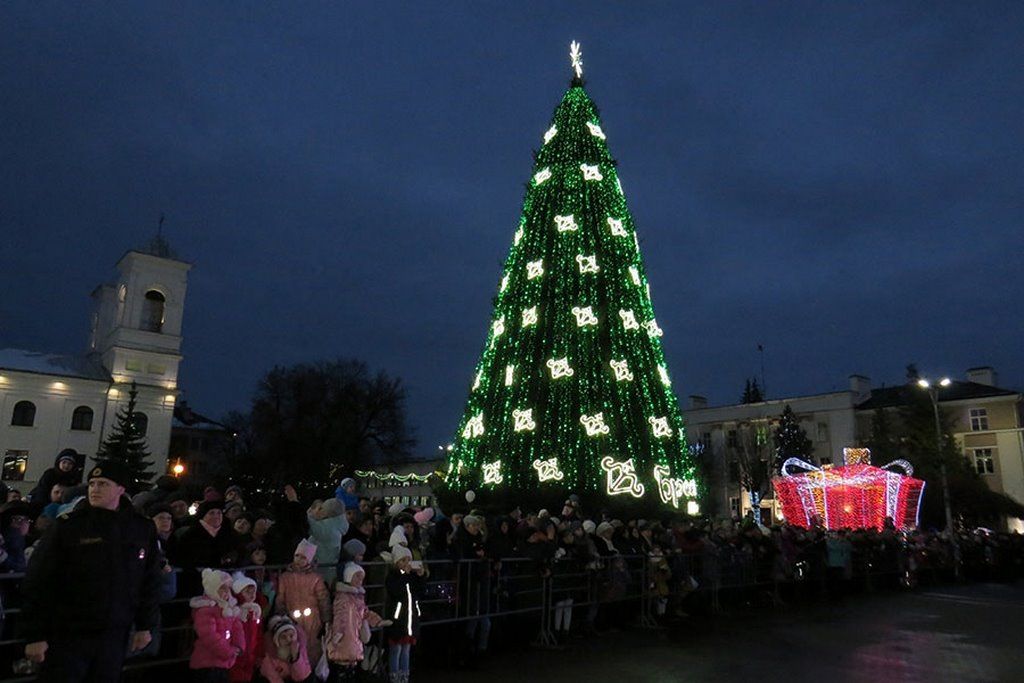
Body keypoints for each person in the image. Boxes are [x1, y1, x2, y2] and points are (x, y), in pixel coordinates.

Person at [20, 460, 162, 682]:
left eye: (103, 484)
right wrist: (35, 634)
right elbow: (39, 580)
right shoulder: (69, 526)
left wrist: (146, 625)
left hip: (114, 634)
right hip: (68, 633)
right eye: (92, 483)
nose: (95, 489)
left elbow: (149, 580)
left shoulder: (140, 528)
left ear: (120, 489)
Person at [276, 539, 330, 665]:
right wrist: (281, 616)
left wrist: (326, 620)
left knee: (312, 646)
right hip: (292, 617)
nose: (299, 559)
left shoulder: (316, 578)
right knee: (295, 645)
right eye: (297, 556)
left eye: (303, 557)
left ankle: (311, 671)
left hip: (313, 619)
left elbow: (323, 600)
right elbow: (280, 598)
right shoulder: (285, 577)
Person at [327, 562, 387, 676]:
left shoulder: (358, 597)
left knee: (351, 661)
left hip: (353, 634)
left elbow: (365, 612)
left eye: (362, 578)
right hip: (343, 635)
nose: (360, 580)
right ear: (349, 577)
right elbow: (339, 616)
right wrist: (338, 632)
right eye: (357, 577)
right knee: (342, 660)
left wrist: (377, 621)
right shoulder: (342, 597)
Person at [189, 568, 246, 682]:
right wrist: (227, 651)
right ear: (213, 590)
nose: (226, 592)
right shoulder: (205, 610)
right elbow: (209, 636)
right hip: (207, 663)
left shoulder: (229, 610)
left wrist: (239, 646)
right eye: (222, 589)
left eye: (227, 589)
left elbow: (237, 628)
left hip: (223, 663)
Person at [382, 546, 424, 683]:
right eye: (403, 560)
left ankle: (404, 676)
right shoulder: (393, 577)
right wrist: (406, 575)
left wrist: (420, 577)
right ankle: (394, 676)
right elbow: (396, 591)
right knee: (396, 650)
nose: (406, 563)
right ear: (396, 562)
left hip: (410, 620)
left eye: (408, 560)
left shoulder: (411, 577)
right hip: (398, 619)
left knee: (406, 650)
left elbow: (420, 592)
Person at [229, 572, 264, 683]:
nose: (251, 594)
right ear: (238, 593)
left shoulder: (255, 610)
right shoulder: (234, 612)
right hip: (236, 655)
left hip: (251, 653)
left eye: (253, 591)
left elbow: (259, 634)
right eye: (247, 592)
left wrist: (259, 653)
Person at [260, 616, 313, 683]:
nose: (288, 640)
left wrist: (295, 657)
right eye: (283, 637)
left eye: (291, 636)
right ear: (277, 641)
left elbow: (302, 676)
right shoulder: (269, 657)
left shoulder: (300, 648)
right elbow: (274, 679)